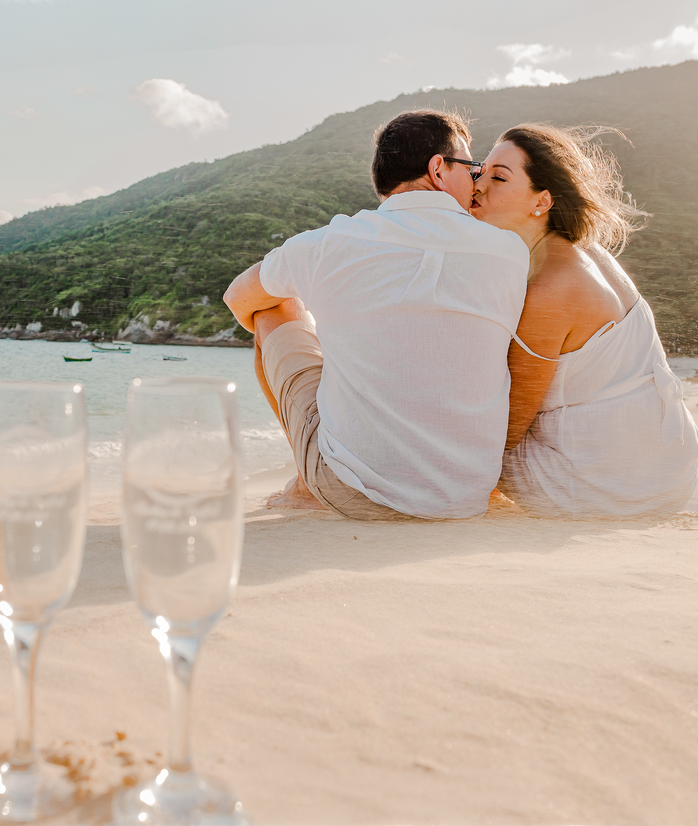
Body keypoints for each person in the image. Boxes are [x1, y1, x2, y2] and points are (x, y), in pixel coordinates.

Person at [224, 109, 529, 520]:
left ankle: (307, 478)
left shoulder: (331, 242)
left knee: (273, 306)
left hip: (351, 491)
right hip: (466, 493)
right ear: (438, 169)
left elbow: (238, 297)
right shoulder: (510, 251)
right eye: (471, 168)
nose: (476, 180)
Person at [470, 123, 698, 514]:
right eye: (480, 171)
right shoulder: (585, 251)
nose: (478, 185)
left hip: (600, 479)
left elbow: (509, 430)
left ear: (542, 201)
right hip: (659, 463)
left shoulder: (551, 287)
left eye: (498, 178)